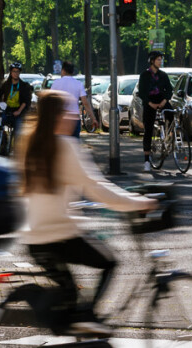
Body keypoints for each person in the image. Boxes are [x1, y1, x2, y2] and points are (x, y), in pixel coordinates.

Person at [17, 90, 157, 336]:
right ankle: (87, 317)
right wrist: (138, 203)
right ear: (60, 116)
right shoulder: (65, 147)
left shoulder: (29, 143)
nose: (74, 117)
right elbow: (98, 189)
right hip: (59, 236)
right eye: (70, 112)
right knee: (109, 261)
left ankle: (78, 321)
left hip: (35, 240)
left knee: (69, 295)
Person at [137, 51, 174, 172]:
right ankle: (147, 160)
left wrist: (165, 100)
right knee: (148, 129)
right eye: (158, 59)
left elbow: (169, 89)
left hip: (161, 100)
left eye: (161, 59)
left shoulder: (163, 75)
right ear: (152, 61)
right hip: (149, 102)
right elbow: (141, 92)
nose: (160, 61)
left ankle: (170, 137)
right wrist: (150, 103)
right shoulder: (144, 75)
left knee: (171, 114)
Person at [48, 61, 98, 137]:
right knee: (74, 145)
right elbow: (85, 103)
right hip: (74, 119)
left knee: (61, 145)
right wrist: (93, 118)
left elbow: (50, 102)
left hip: (60, 119)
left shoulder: (56, 83)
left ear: (63, 70)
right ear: (73, 72)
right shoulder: (78, 84)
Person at [0, 63, 33, 131]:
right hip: (7, 112)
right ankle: (1, 139)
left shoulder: (24, 85)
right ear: (11, 72)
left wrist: (19, 111)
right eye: (14, 71)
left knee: (18, 135)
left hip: (18, 114)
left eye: (17, 71)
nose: (16, 73)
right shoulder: (6, 85)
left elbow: (25, 101)